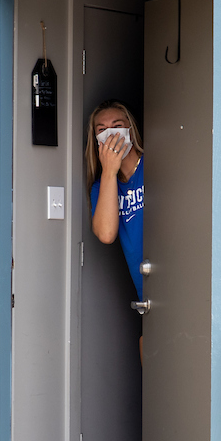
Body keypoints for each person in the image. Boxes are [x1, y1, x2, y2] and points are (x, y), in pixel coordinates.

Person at [87, 100, 144, 302]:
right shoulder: (101, 187)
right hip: (146, 291)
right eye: (102, 129)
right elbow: (106, 234)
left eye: (117, 126)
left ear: (130, 128)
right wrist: (110, 172)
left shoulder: (154, 164)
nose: (110, 134)